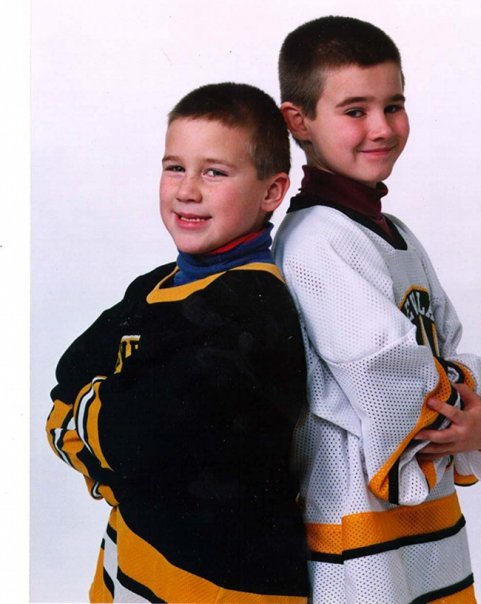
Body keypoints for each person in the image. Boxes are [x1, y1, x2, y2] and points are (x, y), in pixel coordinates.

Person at [273, 16, 481, 604]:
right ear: (298, 121)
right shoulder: (315, 242)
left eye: (394, 106)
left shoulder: (396, 233)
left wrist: (471, 409)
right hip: (358, 532)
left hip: (423, 521)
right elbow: (393, 379)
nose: (381, 128)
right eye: (355, 110)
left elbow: (440, 349)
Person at [46, 82, 310, 603]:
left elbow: (144, 436)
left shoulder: (252, 308)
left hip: (222, 587)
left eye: (214, 172)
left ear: (272, 192)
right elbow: (68, 376)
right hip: (135, 556)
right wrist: (111, 434)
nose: (187, 191)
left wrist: (93, 420)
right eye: (175, 167)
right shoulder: (153, 286)